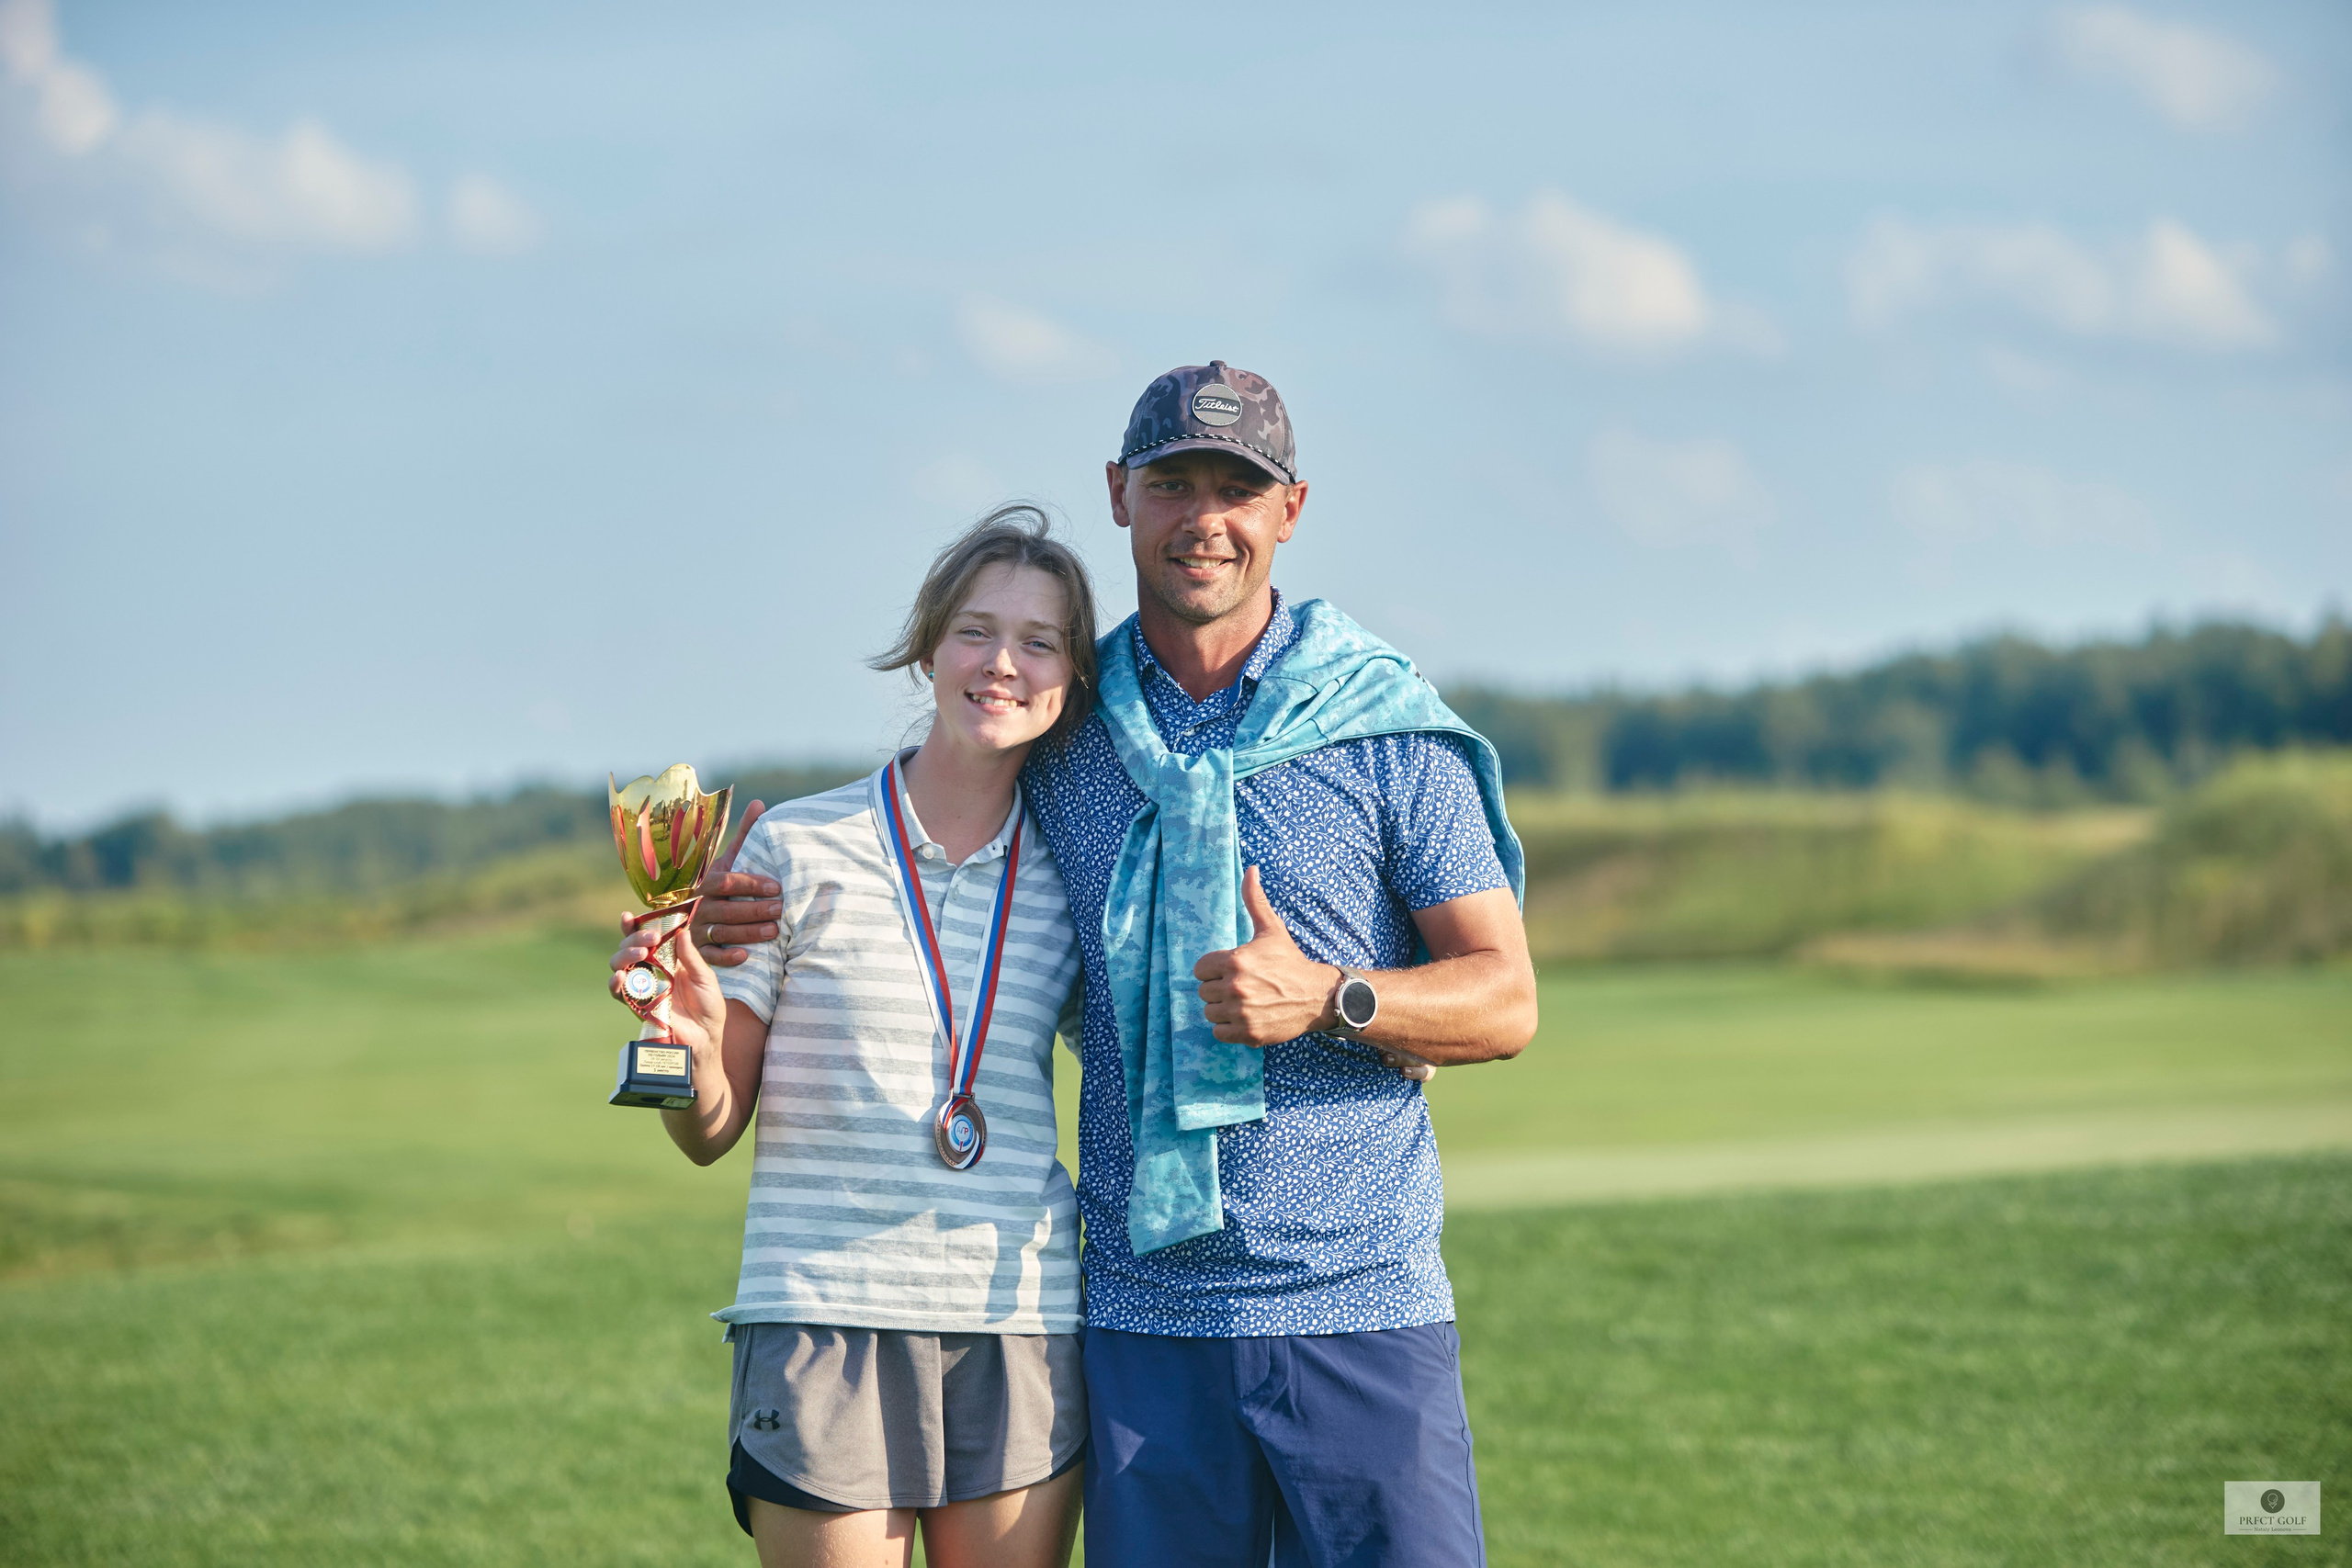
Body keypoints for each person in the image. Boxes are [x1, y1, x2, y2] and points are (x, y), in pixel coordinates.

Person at [707, 362, 1537, 1567]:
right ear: (1120, 495)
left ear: (1289, 510)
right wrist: (748, 904)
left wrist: (1331, 995)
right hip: (1141, 1323)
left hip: (1361, 1306)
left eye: (1238, 489)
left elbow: (1505, 993)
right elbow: (931, 858)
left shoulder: (1387, 727)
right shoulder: (1066, 725)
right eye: (1174, 483)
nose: (1206, 517)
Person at [612, 506, 1095, 1568]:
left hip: (1015, 1321)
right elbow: (709, 1131)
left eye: (1039, 641)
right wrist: (688, 1041)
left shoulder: (1075, 875)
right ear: (928, 648)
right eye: (975, 630)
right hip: (820, 1316)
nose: (1001, 663)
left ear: (1071, 678)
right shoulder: (796, 847)